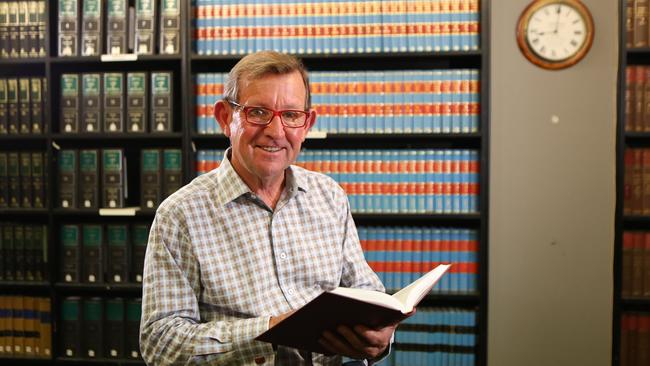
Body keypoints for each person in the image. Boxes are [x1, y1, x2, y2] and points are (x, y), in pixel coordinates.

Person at [140, 50, 399, 365]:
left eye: (291, 115)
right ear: (225, 118)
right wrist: (269, 331)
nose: (276, 132)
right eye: (258, 112)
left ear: (306, 124)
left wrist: (380, 335)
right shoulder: (180, 215)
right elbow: (161, 342)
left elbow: (366, 292)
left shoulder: (329, 196)